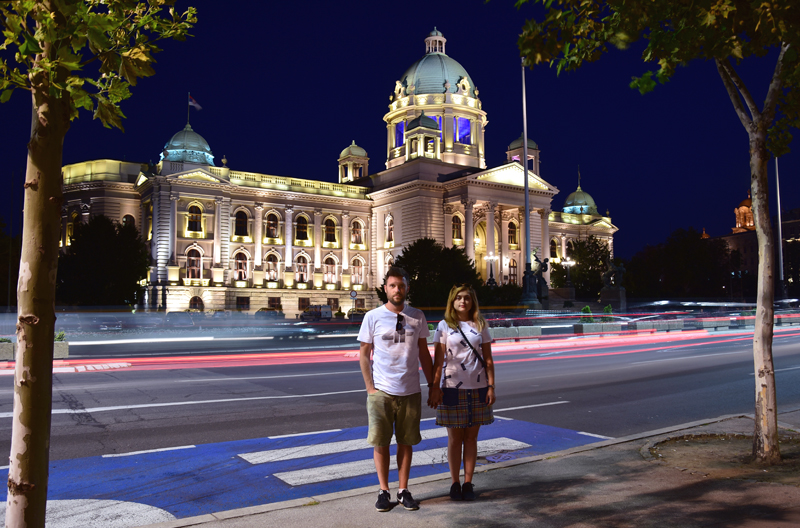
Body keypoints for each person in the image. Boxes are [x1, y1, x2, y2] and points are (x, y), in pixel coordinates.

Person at [358, 267, 440, 512]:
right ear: (385, 288)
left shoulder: (417, 316)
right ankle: (384, 491)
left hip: (410, 390)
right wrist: (370, 387)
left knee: (406, 443)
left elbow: (424, 353)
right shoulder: (372, 316)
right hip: (381, 391)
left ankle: (403, 490)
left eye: (401, 286)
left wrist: (432, 385)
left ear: (407, 288)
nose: (397, 290)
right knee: (381, 443)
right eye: (392, 285)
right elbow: (364, 354)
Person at [430, 284, 496, 501]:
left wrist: (491, 386)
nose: (463, 302)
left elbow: (488, 360)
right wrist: (434, 387)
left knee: (471, 438)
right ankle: (454, 483)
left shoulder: (480, 325)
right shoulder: (443, 326)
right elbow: (438, 362)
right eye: (458, 298)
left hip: (477, 388)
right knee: (454, 439)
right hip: (451, 389)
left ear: (472, 301)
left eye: (467, 298)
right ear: (452, 301)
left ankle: (468, 482)